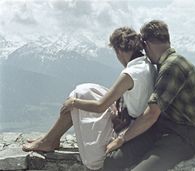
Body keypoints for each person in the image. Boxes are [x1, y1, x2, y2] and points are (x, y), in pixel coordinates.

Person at [22, 27, 156, 170]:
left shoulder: (130, 73)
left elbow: (100, 106)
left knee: (76, 98)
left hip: (128, 128)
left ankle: (48, 141)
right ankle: (50, 139)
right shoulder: (147, 64)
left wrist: (73, 103)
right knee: (83, 90)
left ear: (119, 51)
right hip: (130, 117)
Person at [103, 20, 195, 171]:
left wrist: (121, 138)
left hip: (182, 137)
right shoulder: (166, 63)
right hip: (163, 127)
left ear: (146, 44)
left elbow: (151, 114)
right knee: (113, 160)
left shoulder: (171, 66)